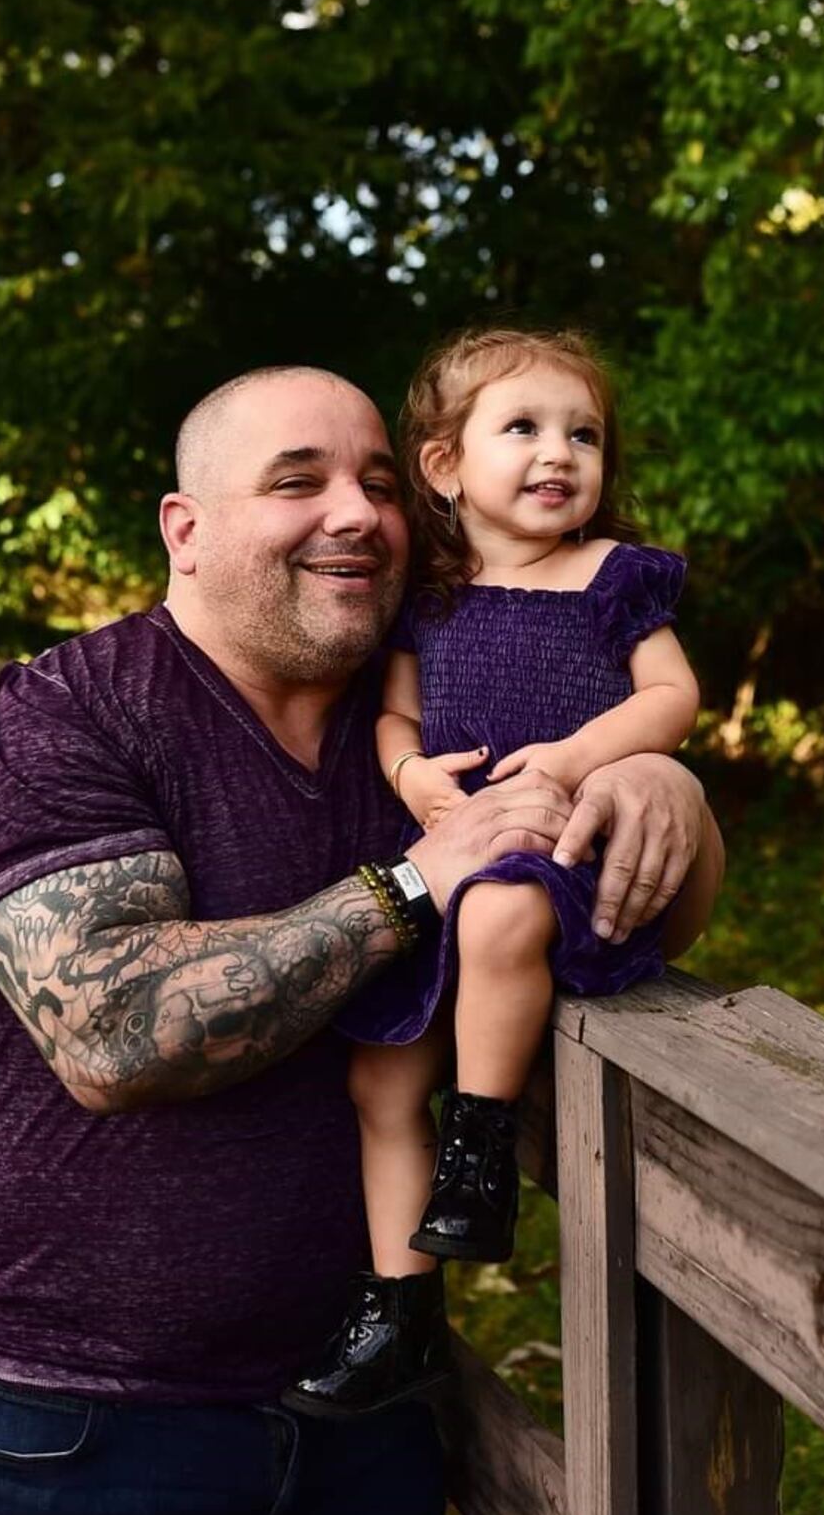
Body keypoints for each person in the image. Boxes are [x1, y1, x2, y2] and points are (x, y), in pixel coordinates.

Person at [0, 363, 722, 1515]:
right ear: (187, 526)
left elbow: (611, 885)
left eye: (372, 483)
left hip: (357, 1416)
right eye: (297, 480)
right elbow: (114, 1028)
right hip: (83, 1418)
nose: (354, 514)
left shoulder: (420, 722)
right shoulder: (62, 718)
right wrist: (416, 877)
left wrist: (674, 793)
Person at [286, 328, 700, 1417]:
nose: (558, 453)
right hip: (451, 851)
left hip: (561, 858)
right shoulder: (431, 594)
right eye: (522, 428)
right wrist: (419, 781)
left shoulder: (612, 578)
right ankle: (401, 1308)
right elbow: (395, 720)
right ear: (443, 466)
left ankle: (477, 1141)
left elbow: (671, 699)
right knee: (378, 1078)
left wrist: (571, 759)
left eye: (584, 435)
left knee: (505, 911)